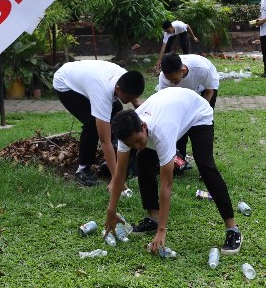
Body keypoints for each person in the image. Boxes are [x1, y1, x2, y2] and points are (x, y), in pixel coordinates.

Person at [104, 87, 242, 255]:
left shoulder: (161, 132)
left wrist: (162, 231)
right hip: (173, 109)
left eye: (138, 140)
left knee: (206, 166)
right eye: (131, 144)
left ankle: (232, 229)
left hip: (197, 112)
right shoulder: (127, 133)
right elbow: (120, 173)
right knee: (143, 158)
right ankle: (153, 217)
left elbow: (166, 184)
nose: (136, 146)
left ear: (144, 126)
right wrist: (111, 211)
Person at [53, 60, 144, 186]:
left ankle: (114, 149)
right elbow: (104, 141)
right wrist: (117, 179)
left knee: (117, 109)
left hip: (84, 76)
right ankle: (82, 170)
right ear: (118, 89)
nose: (129, 101)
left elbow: (134, 99)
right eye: (128, 98)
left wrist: (138, 106)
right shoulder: (102, 92)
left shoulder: (126, 77)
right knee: (92, 123)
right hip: (65, 83)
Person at [157, 53, 219, 160]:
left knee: (205, 120)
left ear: (183, 70)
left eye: (174, 79)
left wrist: (198, 113)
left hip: (205, 87)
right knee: (179, 122)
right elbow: (165, 100)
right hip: (184, 91)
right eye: (169, 80)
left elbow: (209, 91)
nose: (172, 83)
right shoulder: (164, 78)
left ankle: (205, 157)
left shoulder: (202, 69)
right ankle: (181, 158)